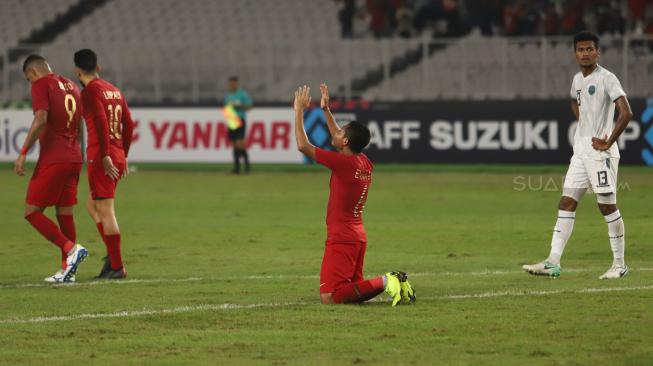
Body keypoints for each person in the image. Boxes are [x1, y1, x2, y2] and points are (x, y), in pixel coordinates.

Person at [523, 31, 634, 280]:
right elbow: (575, 101)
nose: (585, 53)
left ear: (598, 52)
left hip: (600, 154)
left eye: (589, 49)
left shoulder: (607, 78)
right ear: (575, 54)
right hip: (580, 152)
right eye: (581, 50)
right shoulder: (577, 79)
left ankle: (620, 265)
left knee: (606, 206)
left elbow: (626, 112)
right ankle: (553, 261)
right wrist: (583, 122)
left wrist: (608, 141)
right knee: (566, 202)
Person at [293, 83, 415, 306]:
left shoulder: (343, 164)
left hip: (342, 237)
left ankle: (387, 280)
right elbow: (340, 140)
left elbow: (303, 146)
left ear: (346, 141)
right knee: (353, 293)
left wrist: (298, 110)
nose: (336, 131)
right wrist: (326, 110)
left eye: (341, 131)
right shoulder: (363, 162)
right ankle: (395, 281)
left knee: (330, 297)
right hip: (357, 237)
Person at [14, 54, 88, 283]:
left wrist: (23, 152)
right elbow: (80, 124)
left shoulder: (41, 84)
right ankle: (68, 271)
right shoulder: (72, 85)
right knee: (64, 212)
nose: (30, 83)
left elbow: (41, 119)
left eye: (29, 79)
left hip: (54, 157)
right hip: (74, 156)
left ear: (33, 72)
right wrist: (80, 152)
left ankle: (70, 249)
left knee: (32, 211)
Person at [74, 49, 135, 279]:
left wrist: (106, 155)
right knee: (92, 206)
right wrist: (124, 154)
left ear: (77, 71)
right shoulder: (114, 90)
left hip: (102, 157)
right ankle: (112, 255)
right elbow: (128, 123)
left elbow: (100, 120)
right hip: (116, 154)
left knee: (106, 211)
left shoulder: (89, 92)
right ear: (98, 68)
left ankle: (117, 266)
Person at [224, 76, 253, 174]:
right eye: (231, 83)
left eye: (234, 83)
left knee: (240, 144)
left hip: (240, 120)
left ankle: (247, 167)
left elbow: (249, 106)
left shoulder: (242, 94)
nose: (232, 85)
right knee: (234, 145)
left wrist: (238, 107)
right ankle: (236, 168)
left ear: (237, 83)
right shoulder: (228, 95)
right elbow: (226, 108)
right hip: (232, 120)